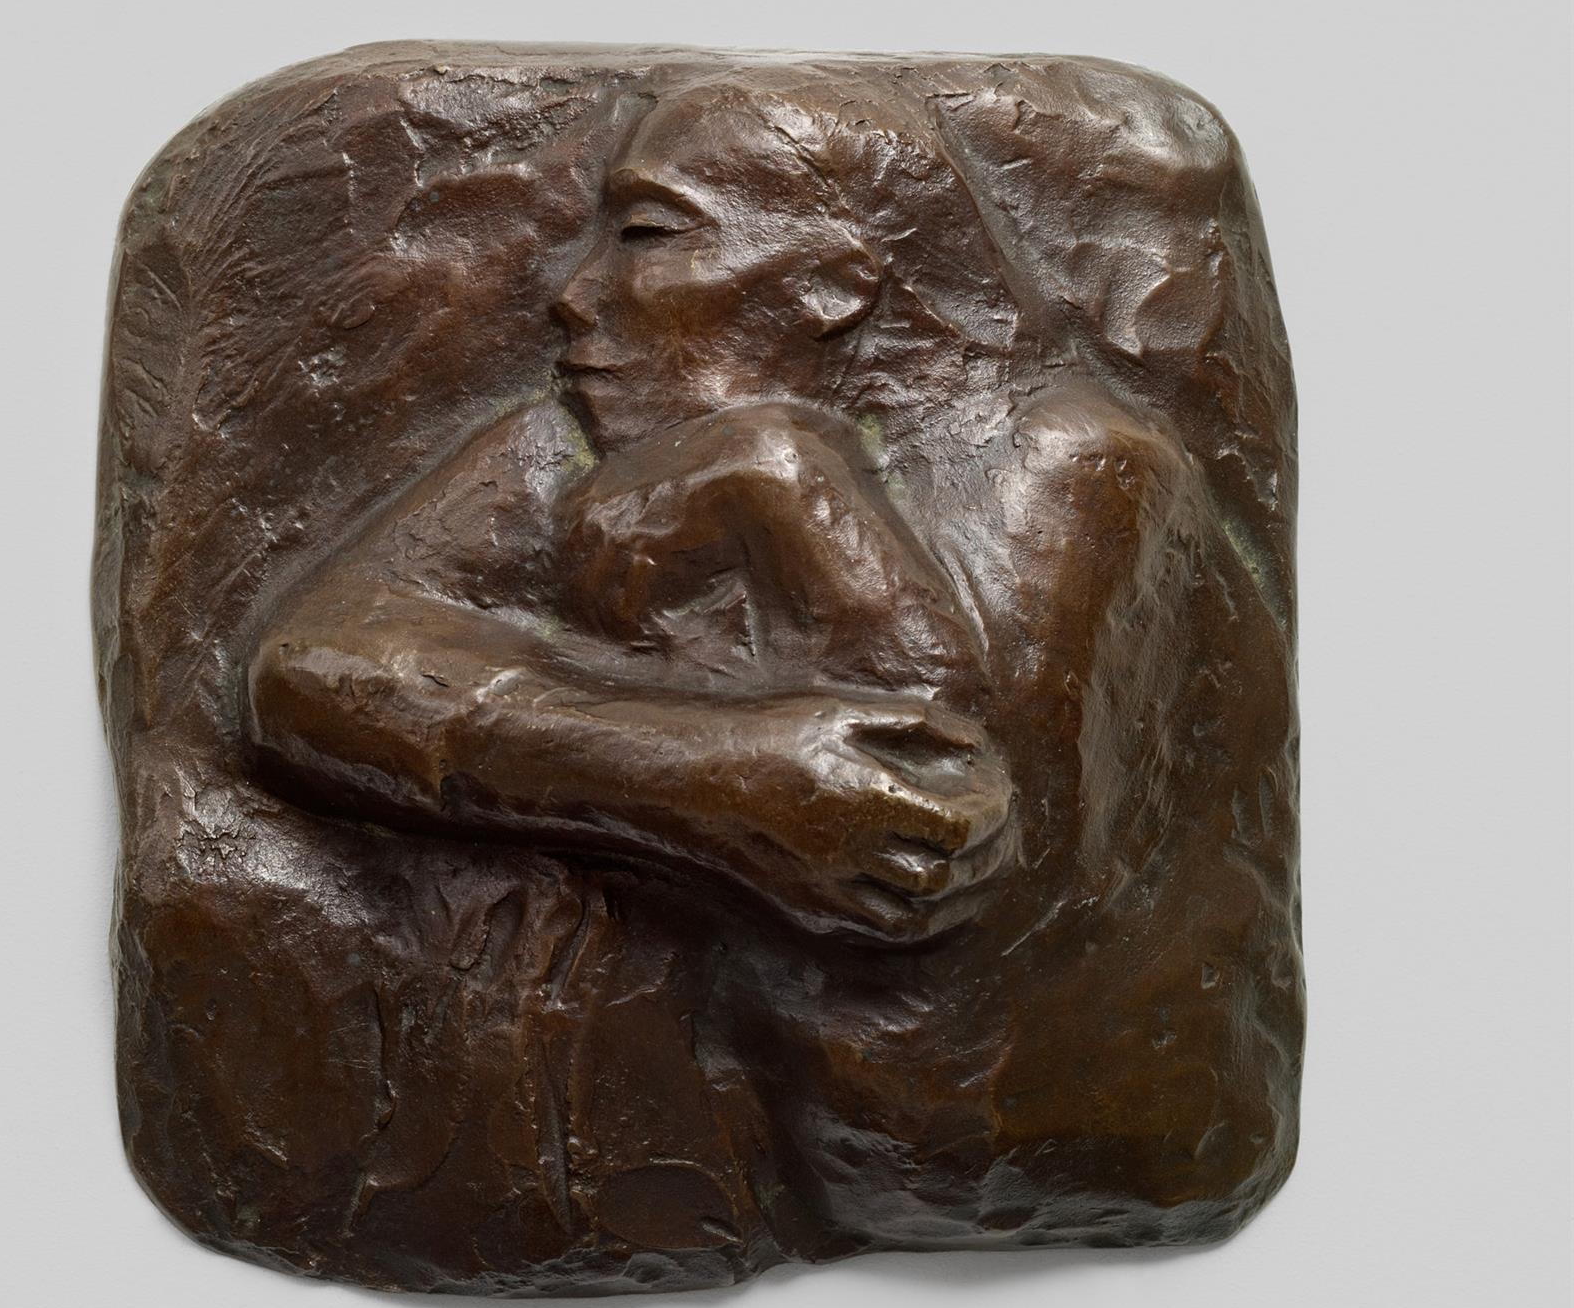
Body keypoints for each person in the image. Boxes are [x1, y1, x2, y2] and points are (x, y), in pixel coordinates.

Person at [243, 71, 1193, 948]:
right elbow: (306, 667)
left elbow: (959, 826)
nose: (573, 295)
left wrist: (779, 482)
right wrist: (698, 772)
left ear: (832, 286)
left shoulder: (1070, 458)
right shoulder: (578, 428)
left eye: (646, 234)